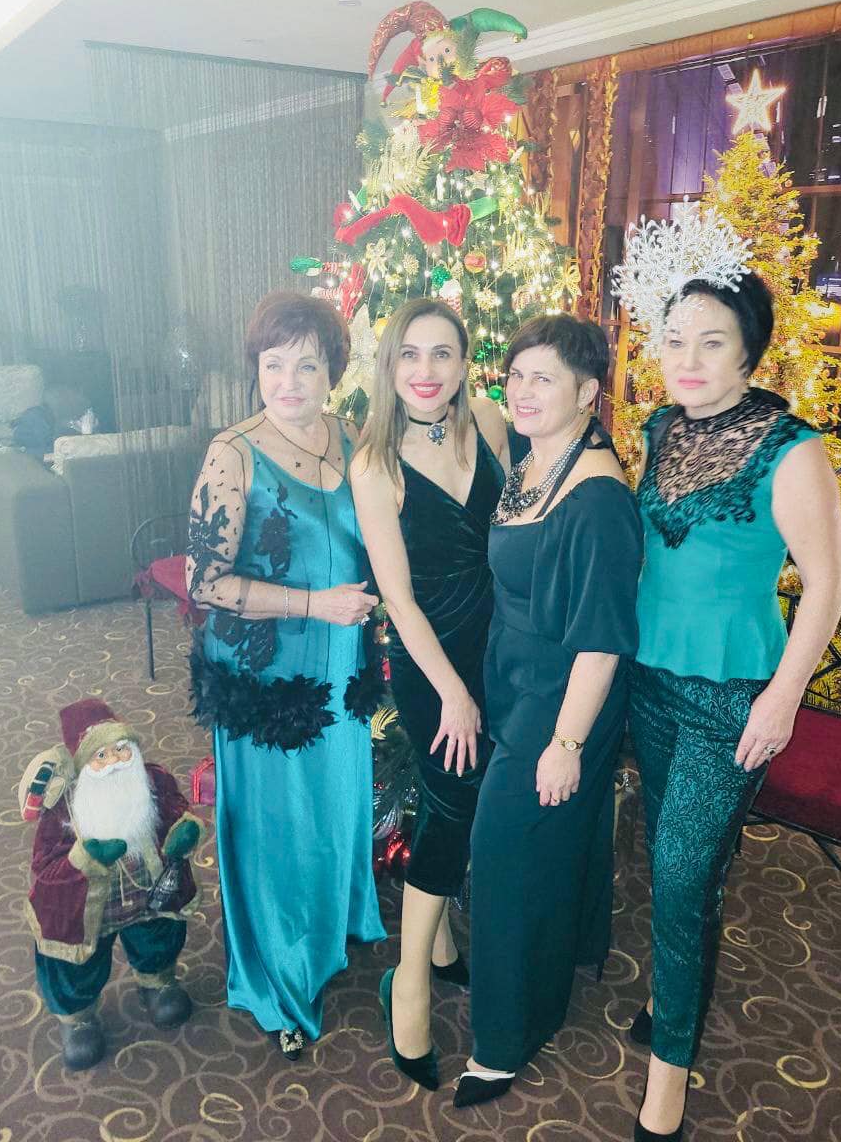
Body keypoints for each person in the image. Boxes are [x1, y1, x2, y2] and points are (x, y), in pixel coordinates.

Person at [627, 273, 841, 1141]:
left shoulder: (791, 449)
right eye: (675, 339)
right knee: (675, 859)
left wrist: (785, 697)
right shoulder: (661, 428)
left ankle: (666, 1083)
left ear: (749, 351)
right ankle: (669, 994)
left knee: (683, 873)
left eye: (711, 341)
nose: (688, 358)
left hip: (731, 698)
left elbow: (826, 583)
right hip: (649, 678)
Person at [186, 291, 384, 1060]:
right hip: (265, 671)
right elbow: (206, 582)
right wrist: (315, 603)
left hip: (339, 658)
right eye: (274, 365)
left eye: (306, 365)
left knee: (331, 809)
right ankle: (277, 982)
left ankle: (324, 935)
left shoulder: (353, 436)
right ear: (256, 369)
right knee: (278, 831)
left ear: (333, 370)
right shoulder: (233, 452)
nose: (289, 382)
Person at [454, 313, 643, 1108]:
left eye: (545, 378)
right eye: (517, 375)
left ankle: (503, 1040)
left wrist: (566, 743)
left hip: (565, 695)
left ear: (588, 391)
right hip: (520, 678)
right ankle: (558, 964)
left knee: (500, 852)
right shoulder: (536, 455)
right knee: (547, 842)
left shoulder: (596, 497)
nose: (523, 391)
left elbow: (603, 639)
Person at [350, 297, 508, 1092]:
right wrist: (452, 693)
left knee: (464, 805)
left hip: (501, 649)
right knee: (451, 805)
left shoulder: (490, 420)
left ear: (464, 362)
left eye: (442, 353)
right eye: (410, 355)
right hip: (430, 661)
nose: (426, 371)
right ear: (389, 366)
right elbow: (400, 601)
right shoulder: (375, 463)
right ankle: (407, 984)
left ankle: (441, 944)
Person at [21, 698, 202, 1071]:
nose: (115, 762)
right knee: (76, 963)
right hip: (89, 907)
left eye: (122, 749)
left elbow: (174, 808)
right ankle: (78, 1020)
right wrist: (85, 859)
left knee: (157, 935)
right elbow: (45, 866)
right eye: (100, 755)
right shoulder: (64, 806)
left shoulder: (152, 780)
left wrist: (184, 829)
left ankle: (156, 982)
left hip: (148, 893)